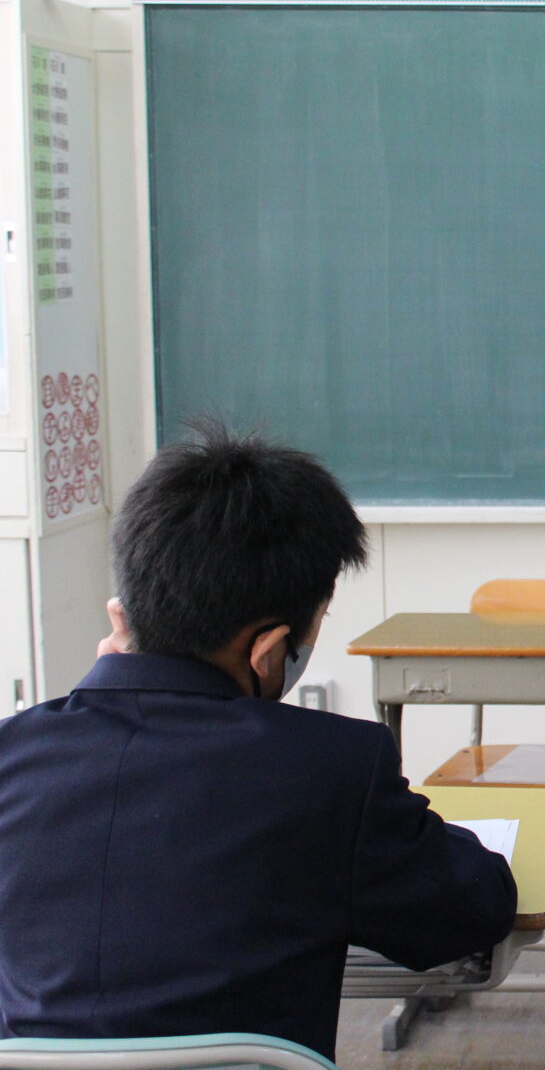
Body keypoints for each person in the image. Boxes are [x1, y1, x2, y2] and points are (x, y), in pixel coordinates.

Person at [0, 422, 518, 1060]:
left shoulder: (11, 754)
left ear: (124, 612)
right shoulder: (331, 767)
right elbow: (472, 912)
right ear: (269, 650)